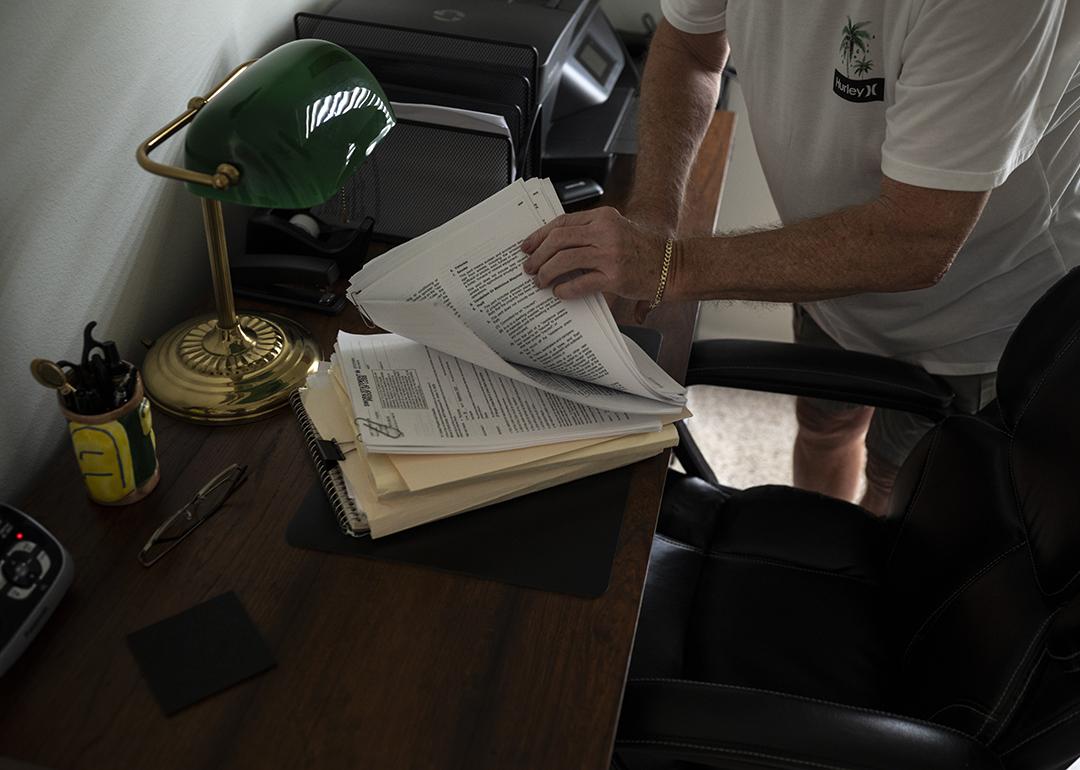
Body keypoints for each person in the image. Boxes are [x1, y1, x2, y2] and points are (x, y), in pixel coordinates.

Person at [521, 0, 1080, 514]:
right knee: (823, 427)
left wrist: (672, 264)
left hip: (981, 310)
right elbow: (690, 48)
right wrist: (653, 219)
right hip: (825, 265)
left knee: (903, 489)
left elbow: (916, 240)